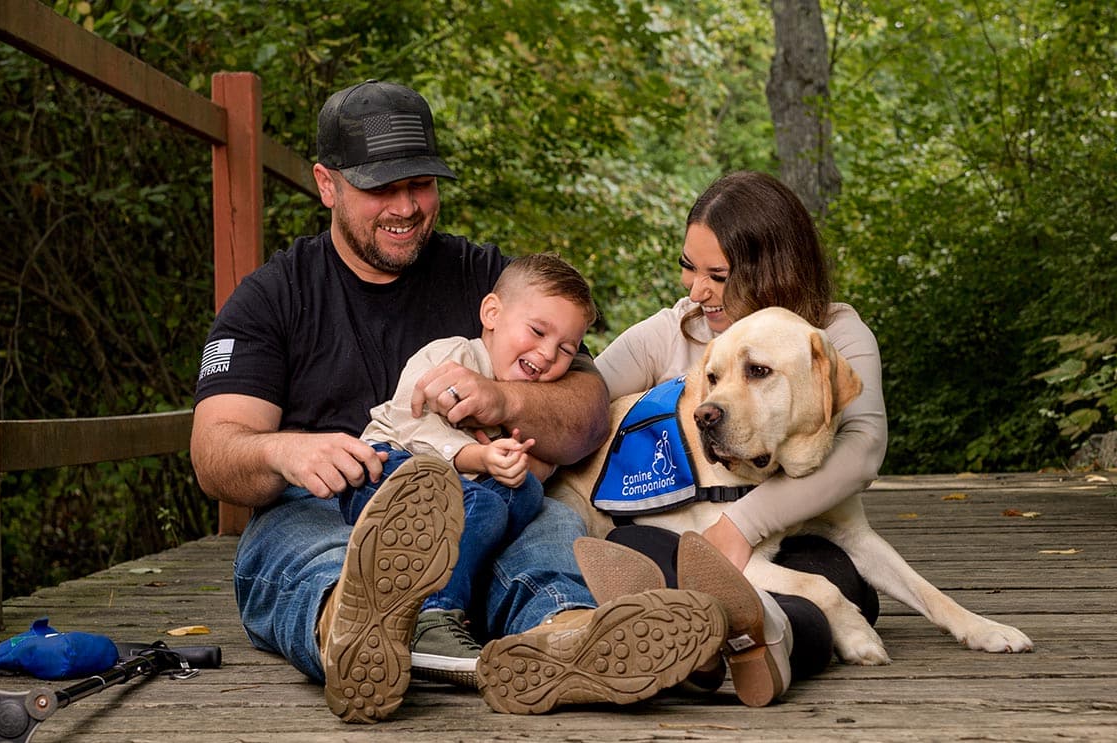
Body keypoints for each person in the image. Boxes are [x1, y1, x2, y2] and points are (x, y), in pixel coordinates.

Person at [189, 79, 727, 724]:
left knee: (550, 523)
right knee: (309, 550)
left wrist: (500, 398)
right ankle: (355, 625)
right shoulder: (269, 299)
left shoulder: (487, 277)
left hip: (489, 504)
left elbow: (586, 407)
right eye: (381, 187)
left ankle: (570, 637)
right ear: (327, 184)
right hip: (328, 507)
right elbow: (215, 450)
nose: (407, 206)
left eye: (419, 182)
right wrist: (283, 451)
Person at [579, 170, 887, 704]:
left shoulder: (834, 335)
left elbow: (862, 448)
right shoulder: (674, 330)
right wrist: (496, 383)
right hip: (694, 538)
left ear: (774, 271)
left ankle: (747, 644)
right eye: (687, 267)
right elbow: (579, 399)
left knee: (831, 581)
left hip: (800, 538)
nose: (698, 292)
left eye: (717, 275)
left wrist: (741, 526)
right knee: (639, 544)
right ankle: (702, 646)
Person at [346, 253, 599, 685]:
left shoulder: (537, 397)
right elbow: (413, 422)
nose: (546, 353)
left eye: (566, 349)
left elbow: (547, 460)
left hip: (466, 503)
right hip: (387, 474)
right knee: (475, 499)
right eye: (537, 331)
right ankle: (430, 614)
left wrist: (522, 466)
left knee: (522, 498)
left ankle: (530, 619)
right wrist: (480, 458)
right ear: (492, 313)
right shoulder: (453, 357)